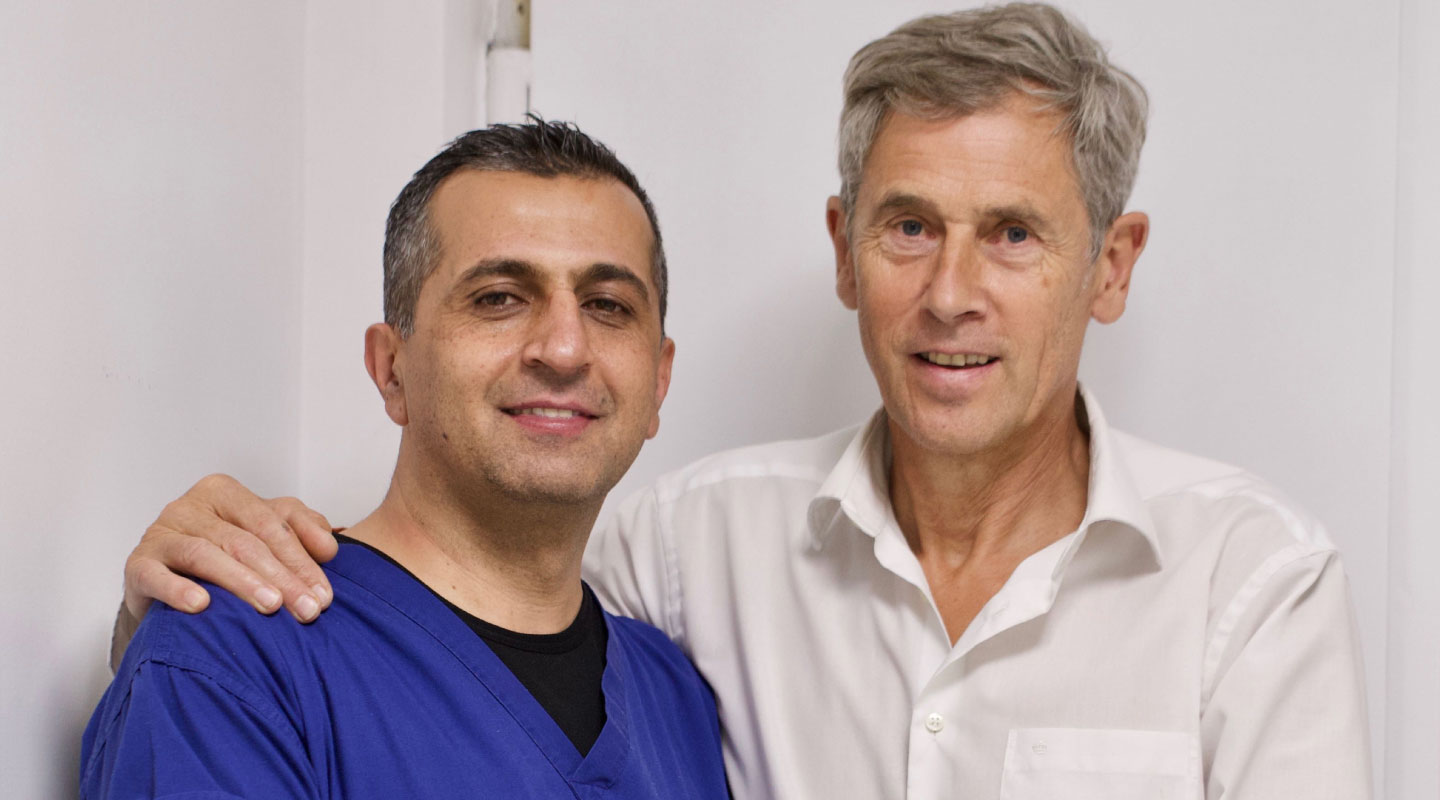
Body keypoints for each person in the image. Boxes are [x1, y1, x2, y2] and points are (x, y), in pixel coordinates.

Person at [108, 4, 1373, 799]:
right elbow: (448, 587)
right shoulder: (681, 550)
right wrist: (177, 602)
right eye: (909, 226)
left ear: (1111, 263)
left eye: (1014, 236)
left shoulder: (1247, 582)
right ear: (842, 248)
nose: (950, 293)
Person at [81, 121, 729, 799]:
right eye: (499, 298)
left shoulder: (675, 693)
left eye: (607, 305)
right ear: (391, 369)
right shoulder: (231, 658)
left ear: (658, 381)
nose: (564, 349)